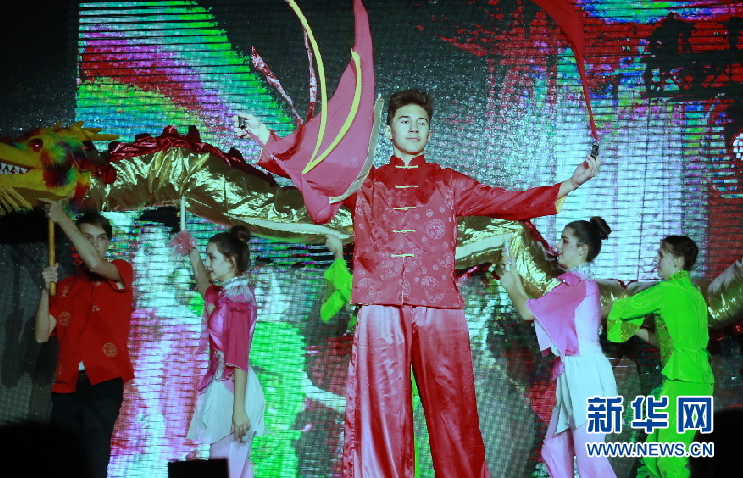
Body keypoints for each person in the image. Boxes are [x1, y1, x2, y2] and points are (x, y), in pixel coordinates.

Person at [238, 89, 600, 477]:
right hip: (380, 306)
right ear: (389, 130)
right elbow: (312, 170)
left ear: (430, 132)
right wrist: (263, 134)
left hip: (437, 306)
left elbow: (506, 201)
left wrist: (568, 184)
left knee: (453, 410)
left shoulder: (448, 182)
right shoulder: (366, 182)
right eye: (404, 121)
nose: (414, 128)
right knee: (380, 411)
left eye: (421, 122)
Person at [498, 217, 617, 477]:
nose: (558, 246)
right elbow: (535, 308)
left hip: (585, 376)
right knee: (554, 450)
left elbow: (527, 312)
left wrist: (510, 284)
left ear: (582, 249)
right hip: (576, 373)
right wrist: (513, 276)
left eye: (565, 241)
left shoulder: (575, 285)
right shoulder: (577, 284)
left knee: (591, 461)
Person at [35, 201, 135, 478]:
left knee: (93, 455)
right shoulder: (64, 287)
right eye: (87, 238)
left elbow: (94, 262)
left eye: (101, 238)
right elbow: (41, 334)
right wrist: (45, 290)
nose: (94, 244)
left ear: (108, 243)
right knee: (61, 459)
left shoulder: (119, 270)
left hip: (104, 380)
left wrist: (62, 219)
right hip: (67, 384)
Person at [607, 236, 714, 478]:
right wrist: (635, 329)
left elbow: (624, 307)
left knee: (669, 460)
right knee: (656, 456)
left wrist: (588, 307)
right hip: (692, 380)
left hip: (684, 381)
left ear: (678, 261)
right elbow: (668, 342)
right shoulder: (693, 293)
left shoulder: (666, 291)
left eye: (661, 255)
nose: (656, 261)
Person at [184, 225, 265, 478]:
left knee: (228, 468)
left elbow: (238, 357)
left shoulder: (238, 301)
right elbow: (204, 287)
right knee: (230, 468)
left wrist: (238, 410)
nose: (208, 263)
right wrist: (192, 253)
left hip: (234, 393)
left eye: (212, 257)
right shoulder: (226, 294)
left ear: (230, 261)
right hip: (224, 388)